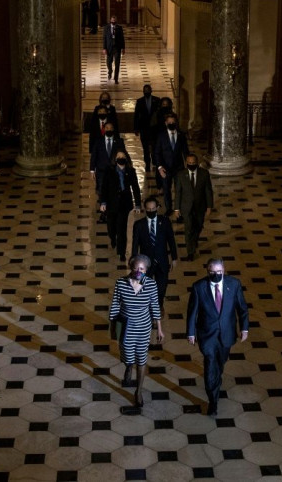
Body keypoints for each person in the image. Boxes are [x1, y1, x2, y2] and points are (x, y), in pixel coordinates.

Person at [187, 257, 249, 416]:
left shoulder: (234, 284)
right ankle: (212, 401)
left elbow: (242, 308)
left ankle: (216, 378)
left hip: (227, 334)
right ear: (207, 271)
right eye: (212, 272)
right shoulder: (199, 287)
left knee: (219, 363)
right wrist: (191, 332)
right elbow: (192, 312)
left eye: (219, 272)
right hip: (207, 335)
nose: (216, 275)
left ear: (224, 270)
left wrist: (244, 329)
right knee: (210, 363)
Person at [109, 254, 164, 407]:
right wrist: (113, 327)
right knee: (127, 354)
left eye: (142, 268)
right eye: (136, 268)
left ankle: (138, 391)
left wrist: (159, 329)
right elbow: (115, 305)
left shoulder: (151, 285)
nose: (138, 271)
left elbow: (155, 307)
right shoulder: (121, 283)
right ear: (131, 267)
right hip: (126, 328)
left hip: (143, 328)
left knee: (142, 358)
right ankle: (128, 366)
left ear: (146, 270)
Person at [132, 197, 178, 309]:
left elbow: (171, 240)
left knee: (161, 288)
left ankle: (158, 307)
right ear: (145, 209)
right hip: (145, 264)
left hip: (162, 262)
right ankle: (146, 309)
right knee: (143, 287)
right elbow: (135, 245)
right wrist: (134, 263)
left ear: (157, 208)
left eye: (153, 209)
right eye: (148, 209)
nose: (151, 211)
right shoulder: (139, 225)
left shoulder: (165, 221)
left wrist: (174, 258)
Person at [99, 150, 142, 261]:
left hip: (124, 204)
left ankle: (121, 252)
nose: (121, 158)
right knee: (111, 227)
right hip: (111, 203)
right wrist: (103, 202)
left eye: (123, 156)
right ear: (115, 158)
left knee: (122, 229)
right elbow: (104, 187)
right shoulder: (109, 170)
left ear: (126, 158)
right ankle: (113, 238)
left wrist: (138, 204)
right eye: (119, 156)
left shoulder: (131, 171)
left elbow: (136, 188)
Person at [174, 154, 214, 261]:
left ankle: (194, 240)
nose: (191, 164)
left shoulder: (204, 174)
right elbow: (178, 192)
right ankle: (190, 252)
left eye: (193, 163)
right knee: (188, 229)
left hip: (200, 206)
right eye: (189, 163)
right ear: (186, 163)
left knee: (199, 226)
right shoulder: (181, 175)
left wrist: (209, 206)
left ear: (197, 163)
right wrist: (176, 208)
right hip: (186, 207)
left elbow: (208, 191)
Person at [154, 113, 188, 216]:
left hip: (179, 168)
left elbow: (186, 152)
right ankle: (168, 209)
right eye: (169, 123)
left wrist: (187, 166)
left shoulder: (181, 135)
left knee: (179, 189)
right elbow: (157, 153)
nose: (172, 124)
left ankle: (178, 209)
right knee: (166, 189)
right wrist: (159, 167)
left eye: (173, 122)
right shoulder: (161, 136)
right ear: (166, 123)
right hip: (165, 168)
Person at [89, 121, 124, 211]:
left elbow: (123, 155)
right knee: (101, 189)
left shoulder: (119, 141)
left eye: (111, 128)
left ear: (113, 129)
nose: (109, 130)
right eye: (107, 128)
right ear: (104, 129)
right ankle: (103, 209)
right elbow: (94, 156)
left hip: (114, 170)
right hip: (101, 170)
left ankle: (112, 207)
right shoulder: (98, 141)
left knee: (113, 189)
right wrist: (92, 170)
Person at [133, 84, 160, 172]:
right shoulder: (140, 101)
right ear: (143, 91)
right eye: (145, 90)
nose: (147, 92)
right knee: (145, 148)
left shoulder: (157, 100)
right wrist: (136, 128)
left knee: (154, 146)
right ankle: (147, 164)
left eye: (148, 90)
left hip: (154, 129)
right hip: (144, 129)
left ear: (151, 91)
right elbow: (136, 115)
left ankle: (155, 162)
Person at [102, 15, 125, 83]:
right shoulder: (106, 28)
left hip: (117, 48)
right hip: (109, 48)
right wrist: (104, 48)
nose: (113, 22)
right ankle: (110, 71)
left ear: (116, 21)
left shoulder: (119, 28)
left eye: (114, 21)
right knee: (109, 62)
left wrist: (123, 48)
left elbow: (122, 38)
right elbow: (104, 39)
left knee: (117, 63)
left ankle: (116, 78)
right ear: (110, 21)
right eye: (112, 21)